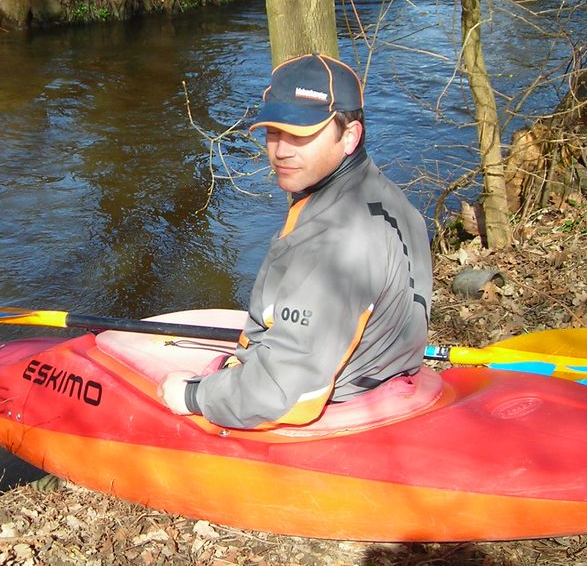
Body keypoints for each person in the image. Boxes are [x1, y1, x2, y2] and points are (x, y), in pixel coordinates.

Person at [159, 53, 432, 430]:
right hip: (380, 378)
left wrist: (192, 395)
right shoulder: (385, 198)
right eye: (274, 131)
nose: (281, 150)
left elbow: (284, 394)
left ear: (350, 136)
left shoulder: (338, 243)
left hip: (338, 413)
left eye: (301, 134)